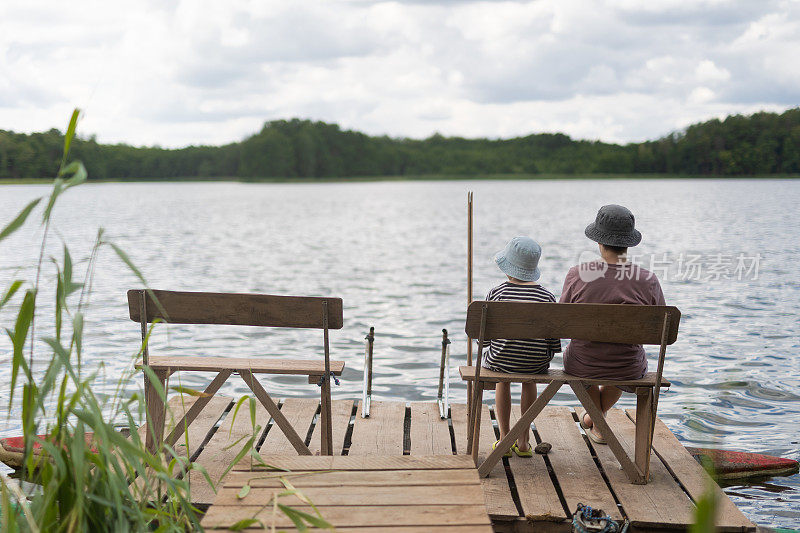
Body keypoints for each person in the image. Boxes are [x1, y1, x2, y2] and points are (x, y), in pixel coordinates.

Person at [559, 204, 665, 444]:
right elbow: (661, 328)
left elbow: (561, 322)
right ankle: (596, 421)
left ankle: (596, 421)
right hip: (627, 366)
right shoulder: (648, 279)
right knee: (622, 357)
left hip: (582, 364)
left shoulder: (578, 274)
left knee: (583, 359)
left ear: (598, 241)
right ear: (629, 242)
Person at [482, 236, 561, 457]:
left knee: (501, 379)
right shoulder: (546, 296)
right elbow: (554, 344)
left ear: (508, 267)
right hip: (534, 364)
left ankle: (505, 439)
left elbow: (485, 340)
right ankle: (524, 442)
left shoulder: (496, 294)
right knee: (529, 380)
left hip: (500, 360)